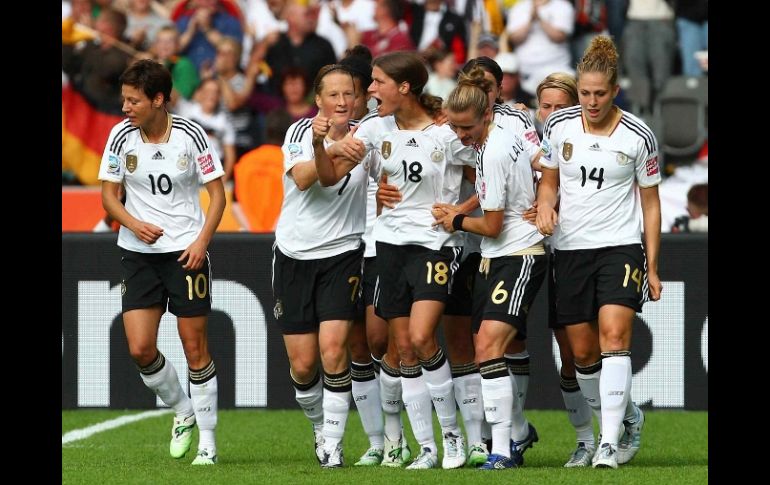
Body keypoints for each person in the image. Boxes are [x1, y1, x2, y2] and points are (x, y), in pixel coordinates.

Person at [325, 51, 473, 470]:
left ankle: (453, 438)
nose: (369, 91)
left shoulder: (445, 134)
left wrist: (461, 211)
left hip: (432, 244)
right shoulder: (373, 128)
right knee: (403, 348)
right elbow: (335, 168)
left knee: (425, 338)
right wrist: (330, 145)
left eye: (376, 82)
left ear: (404, 87)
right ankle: (425, 448)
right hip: (387, 244)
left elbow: (489, 169)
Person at [536, 35, 662, 469]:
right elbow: (548, 180)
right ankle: (627, 416)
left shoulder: (639, 135)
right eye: (585, 92)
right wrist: (546, 205)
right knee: (583, 355)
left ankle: (607, 444)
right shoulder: (559, 126)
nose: (591, 101)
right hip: (570, 250)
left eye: (600, 94)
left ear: (615, 91)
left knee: (614, 338)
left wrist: (654, 266)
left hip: (620, 248)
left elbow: (650, 203)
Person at [97, 59, 226, 465]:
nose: (125, 108)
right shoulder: (120, 137)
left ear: (157, 99)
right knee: (140, 348)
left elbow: (218, 196)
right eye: (124, 99)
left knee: (194, 347)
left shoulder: (190, 135)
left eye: (133, 100)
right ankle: (183, 410)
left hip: (185, 252)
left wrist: (201, 242)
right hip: (138, 253)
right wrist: (134, 223)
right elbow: (107, 197)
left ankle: (207, 441)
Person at [433, 67, 548, 470]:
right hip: (494, 258)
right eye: (456, 127)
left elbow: (493, 224)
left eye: (465, 127)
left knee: (486, 347)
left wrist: (456, 221)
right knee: (489, 348)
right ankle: (516, 434)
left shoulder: (495, 150)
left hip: (518, 254)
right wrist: (544, 197)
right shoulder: (499, 137)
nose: (460, 135)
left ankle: (502, 450)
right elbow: (546, 162)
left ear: (485, 115)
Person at [273, 63, 369, 468]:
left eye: (348, 93)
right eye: (333, 95)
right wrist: (328, 149)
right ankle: (318, 425)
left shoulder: (370, 133)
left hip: (343, 253)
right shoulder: (300, 132)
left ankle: (333, 444)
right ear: (319, 100)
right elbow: (303, 178)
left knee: (333, 352)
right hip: (294, 254)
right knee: (303, 364)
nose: (343, 101)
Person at [522, 72, 598, 467]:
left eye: (560, 106)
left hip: (574, 253)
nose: (551, 113)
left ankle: (606, 430)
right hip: (527, 253)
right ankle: (583, 440)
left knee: (578, 353)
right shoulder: (524, 143)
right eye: (545, 105)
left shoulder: (584, 145)